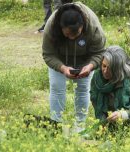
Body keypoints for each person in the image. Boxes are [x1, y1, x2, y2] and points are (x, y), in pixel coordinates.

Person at [42, 2, 106, 132]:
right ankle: (56, 124)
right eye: (67, 35)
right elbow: (48, 54)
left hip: (85, 61)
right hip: (59, 60)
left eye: (75, 35)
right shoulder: (51, 26)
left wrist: (91, 66)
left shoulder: (93, 27)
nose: (71, 38)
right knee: (56, 88)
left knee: (83, 89)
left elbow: (100, 53)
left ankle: (80, 125)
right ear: (61, 27)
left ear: (82, 26)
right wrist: (63, 68)